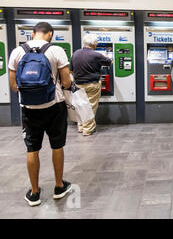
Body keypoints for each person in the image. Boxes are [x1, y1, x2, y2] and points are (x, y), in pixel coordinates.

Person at [8, 22, 73, 207]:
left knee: (32, 148)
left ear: (32, 33)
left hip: (29, 109)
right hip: (54, 106)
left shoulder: (17, 52)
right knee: (57, 146)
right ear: (50, 34)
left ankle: (34, 192)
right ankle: (59, 187)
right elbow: (67, 82)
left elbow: (14, 86)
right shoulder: (57, 50)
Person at [70, 34, 112, 136]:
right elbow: (110, 63)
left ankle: (81, 127)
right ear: (93, 44)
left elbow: (71, 70)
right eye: (96, 43)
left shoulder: (75, 54)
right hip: (92, 84)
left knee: (80, 106)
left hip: (78, 84)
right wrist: (106, 56)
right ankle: (88, 129)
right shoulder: (96, 55)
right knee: (91, 106)